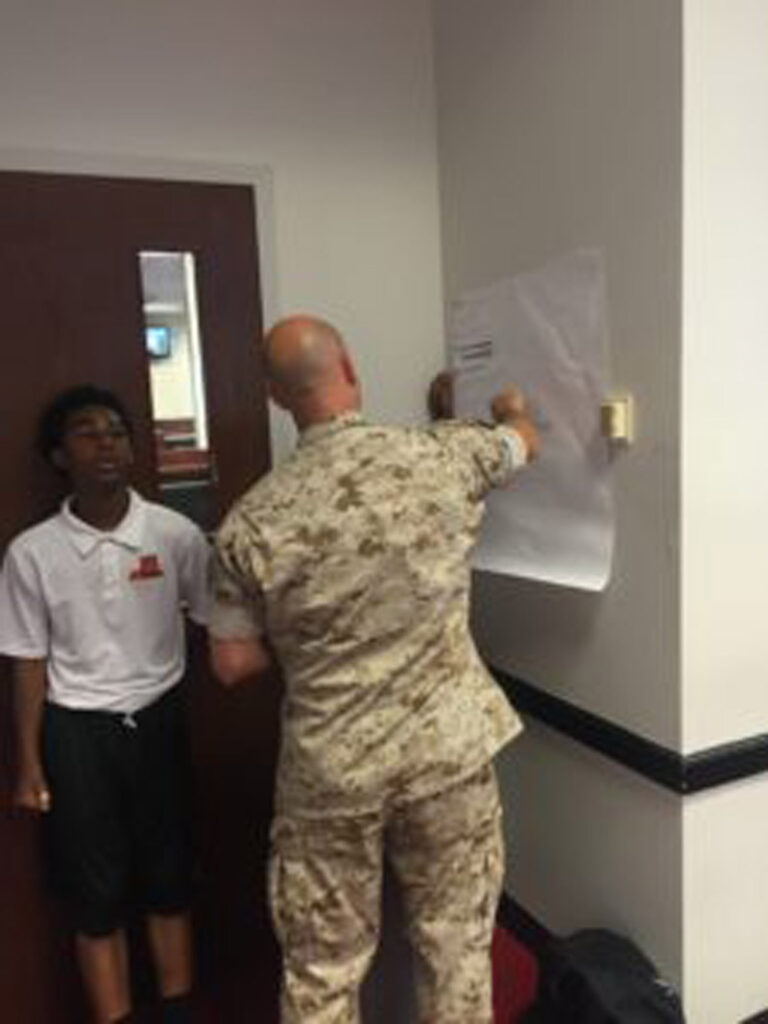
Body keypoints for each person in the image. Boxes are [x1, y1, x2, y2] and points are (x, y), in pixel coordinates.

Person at [208, 316, 540, 1024]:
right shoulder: (443, 460)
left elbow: (232, 663)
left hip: (331, 772)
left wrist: (309, 647)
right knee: (456, 950)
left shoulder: (249, 523)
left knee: (323, 972)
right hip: (446, 754)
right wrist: (504, 410)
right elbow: (523, 441)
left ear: (275, 396)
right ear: (350, 367)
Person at [0, 385, 210, 1024]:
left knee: (170, 880)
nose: (107, 445)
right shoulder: (31, 552)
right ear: (59, 455)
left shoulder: (175, 533)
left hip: (158, 719)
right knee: (96, 895)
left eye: (117, 432)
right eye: (87, 434)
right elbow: (28, 662)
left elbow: (211, 620)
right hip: (78, 734)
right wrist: (32, 765)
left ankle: (178, 1012)